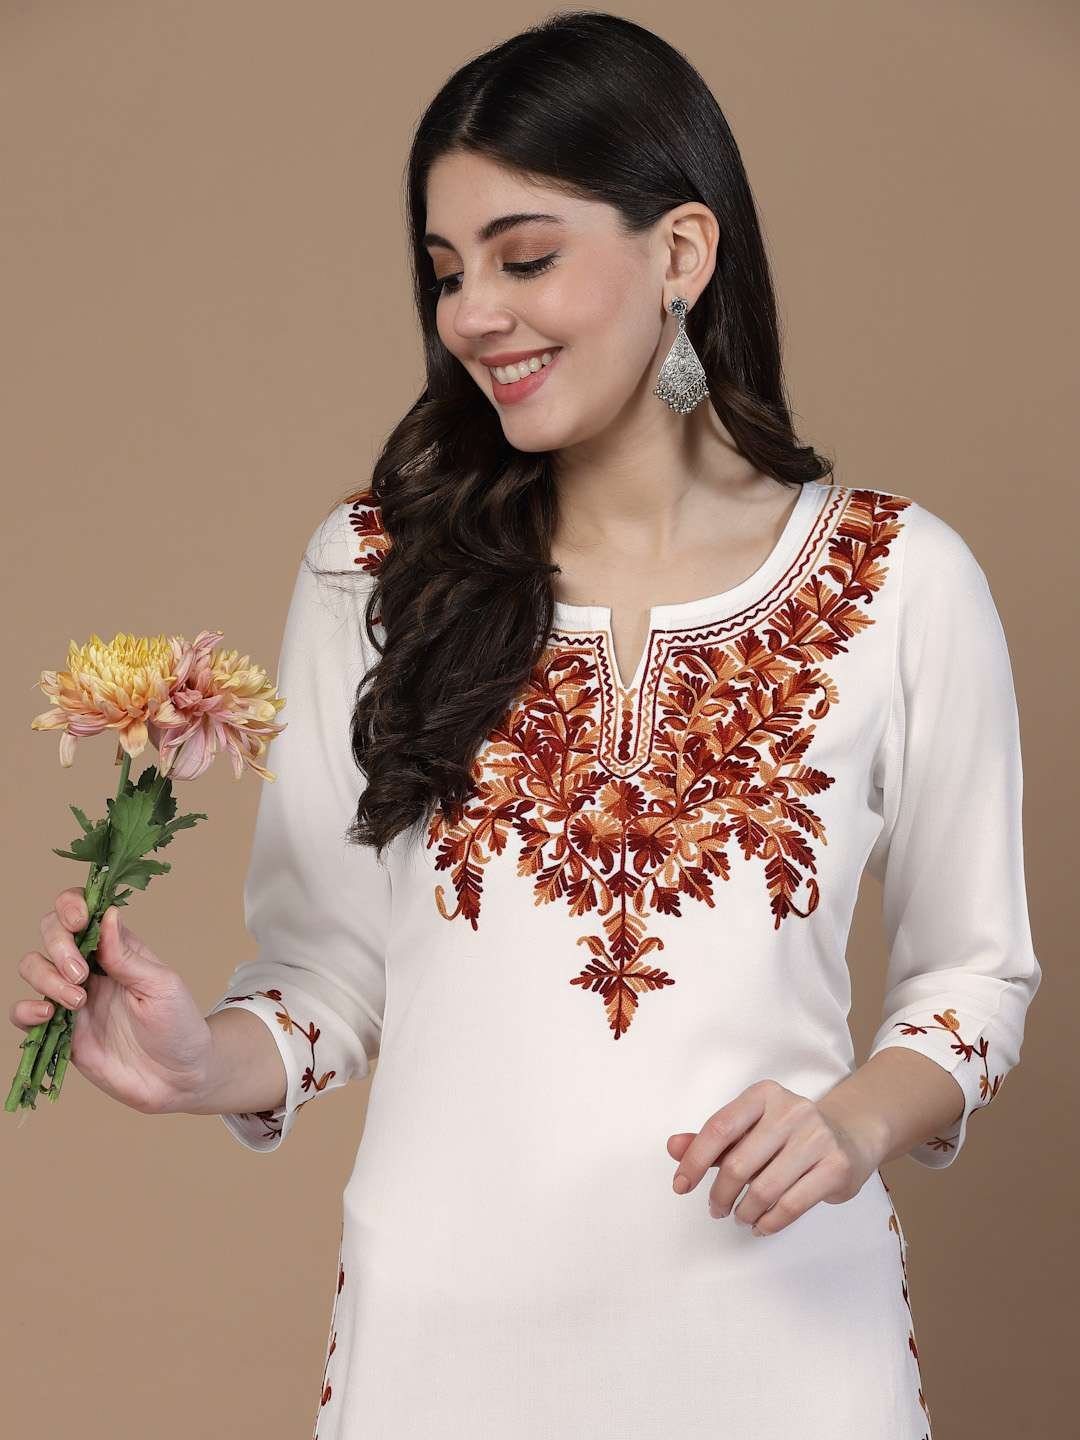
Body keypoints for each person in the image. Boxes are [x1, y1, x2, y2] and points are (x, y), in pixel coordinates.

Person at [12, 12, 1041, 1438]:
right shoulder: (376, 571)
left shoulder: (898, 581)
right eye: (446, 272)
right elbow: (330, 970)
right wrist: (201, 1065)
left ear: (683, 253)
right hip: (443, 1354)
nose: (472, 315)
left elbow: (974, 978)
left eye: (525, 257)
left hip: (785, 1342)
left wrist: (851, 1122)